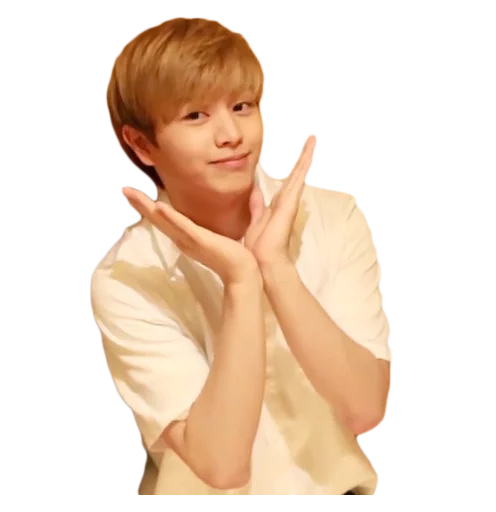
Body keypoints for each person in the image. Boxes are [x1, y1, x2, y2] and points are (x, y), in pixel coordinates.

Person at [89, 15, 393, 495]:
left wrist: (276, 268)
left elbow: (367, 409)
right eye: (195, 115)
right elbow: (223, 465)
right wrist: (242, 283)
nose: (230, 134)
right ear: (142, 143)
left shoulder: (335, 217)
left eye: (242, 106)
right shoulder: (126, 277)